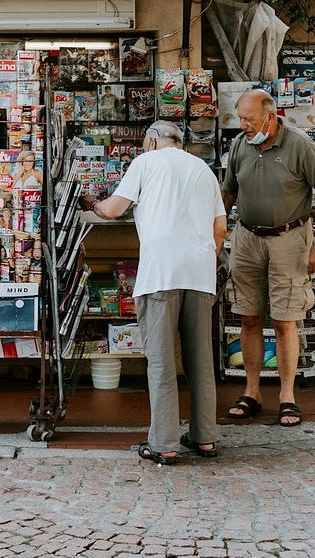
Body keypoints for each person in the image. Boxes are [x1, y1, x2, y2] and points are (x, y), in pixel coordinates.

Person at [81, 120, 227, 465]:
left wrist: (89, 201)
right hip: (200, 273)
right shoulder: (204, 171)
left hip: (161, 271)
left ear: (151, 141)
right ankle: (205, 438)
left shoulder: (145, 162)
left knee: (161, 361)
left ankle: (165, 444)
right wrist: (205, 257)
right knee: (200, 360)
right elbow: (220, 228)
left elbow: (114, 209)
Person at [221, 88, 315, 427]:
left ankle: (287, 395)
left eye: (249, 119)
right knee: (248, 316)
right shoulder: (240, 146)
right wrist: (213, 232)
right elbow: (229, 191)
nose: (243, 125)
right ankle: (252, 392)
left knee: (285, 320)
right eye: (241, 118)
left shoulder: (299, 144)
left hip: (289, 237)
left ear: (270, 117)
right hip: (247, 237)